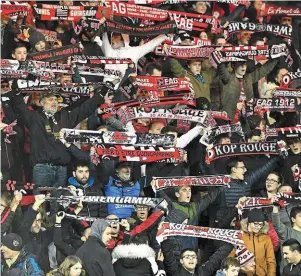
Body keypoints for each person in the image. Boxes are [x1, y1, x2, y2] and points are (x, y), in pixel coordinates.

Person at [8, 83, 111, 188]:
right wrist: (16, 93)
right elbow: (21, 108)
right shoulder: (34, 118)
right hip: (42, 169)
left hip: (62, 169)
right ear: (42, 103)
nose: (54, 102)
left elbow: (84, 109)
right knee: (42, 200)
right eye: (50, 99)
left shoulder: (64, 116)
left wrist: (101, 94)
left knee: (60, 202)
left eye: (55, 100)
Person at [238, 209, 276, 276]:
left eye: (261, 224)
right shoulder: (240, 237)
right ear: (249, 222)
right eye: (255, 223)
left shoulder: (266, 238)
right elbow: (232, 259)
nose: (258, 227)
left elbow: (271, 261)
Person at [271, 197, 301, 273]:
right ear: (293, 219)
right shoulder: (287, 231)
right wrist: (275, 207)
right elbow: (276, 224)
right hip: (289, 272)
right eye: (300, 216)